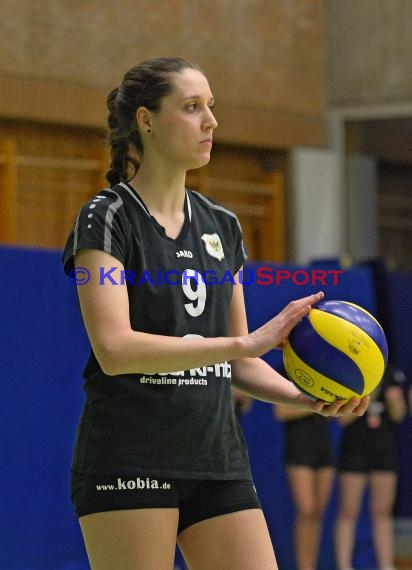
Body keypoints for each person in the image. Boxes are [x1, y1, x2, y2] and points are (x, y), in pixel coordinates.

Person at [62, 56, 369, 570]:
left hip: (217, 458)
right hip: (130, 456)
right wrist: (244, 345)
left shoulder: (222, 225)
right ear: (146, 120)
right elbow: (114, 350)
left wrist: (307, 397)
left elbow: (238, 362)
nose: (211, 121)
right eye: (191, 107)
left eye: (211, 106)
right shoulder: (108, 216)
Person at [334, 362, 406, 570]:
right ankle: (344, 565)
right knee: (348, 510)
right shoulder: (351, 376)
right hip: (354, 449)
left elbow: (399, 416)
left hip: (384, 451)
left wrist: (394, 399)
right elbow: (342, 419)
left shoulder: (392, 374)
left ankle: (385, 564)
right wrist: (368, 395)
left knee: (382, 511)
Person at [274, 385, 336, 570]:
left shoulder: (327, 376)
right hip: (299, 448)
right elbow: (281, 412)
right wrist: (315, 404)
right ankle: (304, 566)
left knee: (317, 513)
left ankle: (311, 565)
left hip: (323, 447)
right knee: (307, 510)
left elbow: (338, 415)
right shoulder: (287, 373)